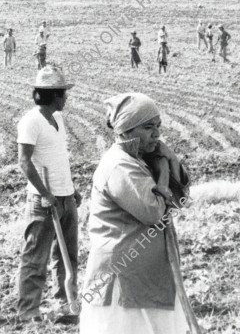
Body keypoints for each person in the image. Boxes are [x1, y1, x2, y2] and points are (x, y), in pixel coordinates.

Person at [80, 92, 191, 334]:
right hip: (124, 278)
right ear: (127, 130)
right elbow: (153, 211)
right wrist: (161, 172)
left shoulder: (139, 160)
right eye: (148, 127)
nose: (157, 134)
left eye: (158, 126)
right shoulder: (119, 165)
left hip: (145, 276)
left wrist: (167, 159)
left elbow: (180, 196)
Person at [16, 66, 82, 323]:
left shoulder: (58, 120)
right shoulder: (30, 121)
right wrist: (45, 194)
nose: (66, 97)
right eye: (63, 93)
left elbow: (58, 160)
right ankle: (28, 312)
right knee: (35, 258)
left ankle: (66, 305)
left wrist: (71, 190)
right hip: (43, 201)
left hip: (65, 197)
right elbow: (24, 162)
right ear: (53, 95)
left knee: (67, 257)